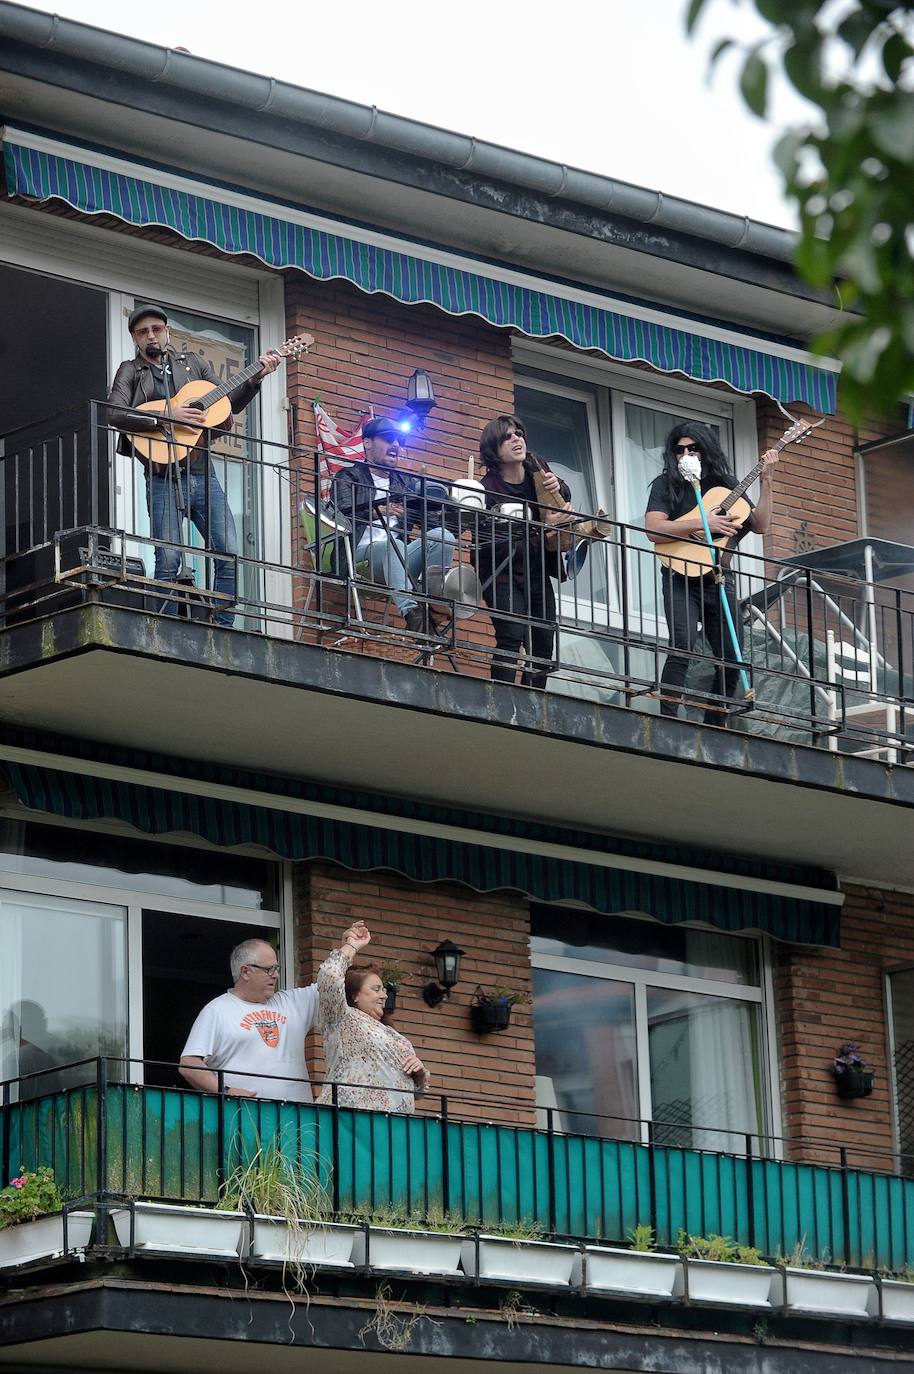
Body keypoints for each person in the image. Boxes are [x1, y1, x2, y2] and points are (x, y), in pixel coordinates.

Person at [107, 304, 281, 626]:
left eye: (156, 329)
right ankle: (167, 629)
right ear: (135, 337)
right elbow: (114, 413)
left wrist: (255, 379)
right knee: (169, 557)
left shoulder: (194, 365)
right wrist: (165, 417)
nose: (151, 336)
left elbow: (226, 404)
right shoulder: (130, 371)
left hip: (203, 474)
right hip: (161, 478)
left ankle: (224, 626)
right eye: (143, 332)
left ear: (167, 331)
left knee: (228, 552)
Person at [644, 422, 777, 723]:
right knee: (682, 645)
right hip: (679, 574)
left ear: (706, 450)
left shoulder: (726, 486)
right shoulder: (666, 485)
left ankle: (714, 723)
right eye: (679, 450)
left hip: (719, 578)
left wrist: (767, 480)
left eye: (693, 448)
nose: (686, 454)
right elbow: (653, 529)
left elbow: (762, 526)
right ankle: (666, 717)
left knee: (732, 657)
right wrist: (704, 523)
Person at [178, 926, 362, 1102]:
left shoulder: (293, 1003)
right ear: (245, 971)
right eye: (269, 969)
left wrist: (349, 947)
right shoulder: (217, 1010)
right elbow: (189, 1063)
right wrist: (227, 1091)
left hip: (297, 1121)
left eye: (277, 968)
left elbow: (330, 982)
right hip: (245, 1119)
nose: (275, 975)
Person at [330, 416, 456, 636]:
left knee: (443, 536)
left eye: (399, 440)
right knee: (392, 544)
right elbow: (340, 514)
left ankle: (433, 608)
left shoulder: (404, 483)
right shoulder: (349, 476)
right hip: (357, 556)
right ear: (367, 443)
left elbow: (431, 525)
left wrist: (435, 506)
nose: (396, 445)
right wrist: (377, 510)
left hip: (397, 556)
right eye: (389, 439)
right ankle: (414, 614)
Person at [475, 414, 572, 688]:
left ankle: (533, 701)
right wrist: (544, 528)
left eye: (518, 433)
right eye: (507, 436)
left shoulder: (535, 466)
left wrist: (559, 485)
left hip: (536, 567)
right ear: (493, 449)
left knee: (543, 640)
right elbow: (498, 544)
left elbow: (562, 498)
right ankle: (504, 699)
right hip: (499, 571)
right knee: (511, 633)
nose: (516, 438)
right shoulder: (487, 490)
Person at [316, 921, 429, 1114]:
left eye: (384, 990)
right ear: (354, 995)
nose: (384, 995)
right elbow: (329, 976)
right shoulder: (342, 1017)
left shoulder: (391, 1033)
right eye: (376, 989)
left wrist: (419, 1075)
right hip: (350, 1119)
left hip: (395, 1128)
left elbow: (416, 1092)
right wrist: (351, 945)